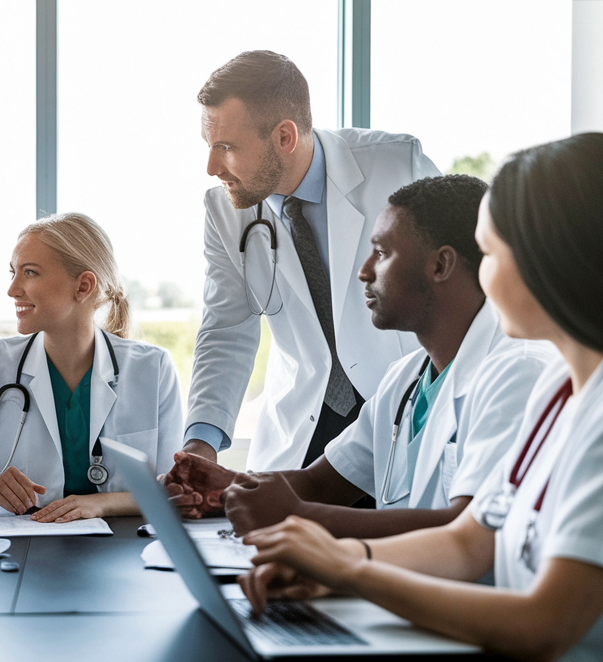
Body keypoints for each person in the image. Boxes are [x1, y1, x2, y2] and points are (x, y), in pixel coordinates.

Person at [237, 133, 603, 662]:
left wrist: (352, 569)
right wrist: (333, 571)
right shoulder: (562, 385)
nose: (483, 272)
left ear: (556, 261)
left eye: (492, 253)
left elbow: (544, 627)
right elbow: (468, 540)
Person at [168, 175, 554, 538]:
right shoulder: (404, 380)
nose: (364, 272)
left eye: (382, 253)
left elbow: (469, 534)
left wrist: (297, 516)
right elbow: (318, 484)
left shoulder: (519, 372)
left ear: (440, 265)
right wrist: (226, 485)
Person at [184, 50, 440, 476]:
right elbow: (226, 330)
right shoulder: (225, 210)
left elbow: (464, 285)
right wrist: (201, 443)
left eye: (227, 148)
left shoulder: (396, 165)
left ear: (284, 136)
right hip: (304, 429)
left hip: (401, 413)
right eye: (210, 148)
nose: (212, 168)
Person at [0, 214, 183, 521]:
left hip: (122, 549)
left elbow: (174, 491)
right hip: (20, 550)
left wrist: (101, 503)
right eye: (13, 273)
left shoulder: (153, 368)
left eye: (30, 273)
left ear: (83, 287)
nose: (13, 289)